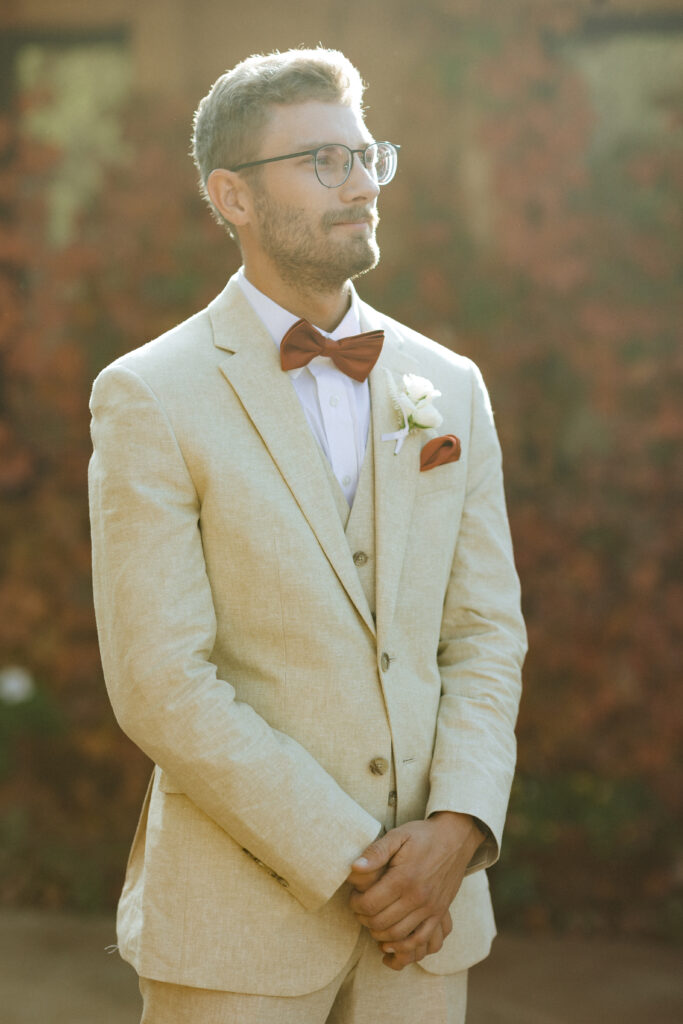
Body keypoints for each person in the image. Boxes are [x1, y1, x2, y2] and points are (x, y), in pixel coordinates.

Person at [88, 47, 526, 1024]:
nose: (360, 182)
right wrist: (351, 855)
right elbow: (160, 680)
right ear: (230, 196)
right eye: (322, 160)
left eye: (367, 154)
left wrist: (455, 827)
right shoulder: (150, 394)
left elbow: (484, 633)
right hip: (235, 928)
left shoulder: (446, 384)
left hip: (427, 922)